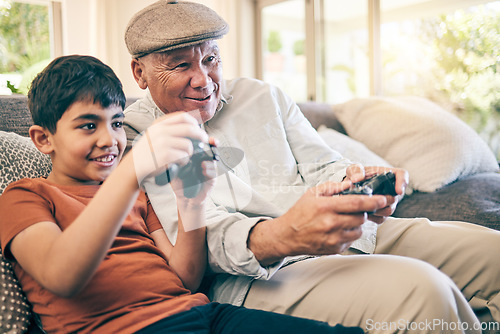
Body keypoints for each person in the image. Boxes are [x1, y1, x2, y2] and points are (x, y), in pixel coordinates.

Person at [123, 1, 500, 333]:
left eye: (211, 59)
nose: (204, 80)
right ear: (140, 73)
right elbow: (203, 243)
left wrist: (355, 181)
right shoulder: (135, 137)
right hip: (267, 273)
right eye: (181, 66)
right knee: (423, 292)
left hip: (351, 234)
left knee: (493, 254)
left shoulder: (262, 95)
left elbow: (325, 165)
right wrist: (286, 234)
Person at [0, 55, 364, 334]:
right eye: (88, 126)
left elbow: (185, 278)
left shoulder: (137, 197)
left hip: (202, 313)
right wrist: (132, 168)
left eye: (115, 123)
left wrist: (192, 202)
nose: (109, 139)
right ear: (43, 139)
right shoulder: (25, 196)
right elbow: (61, 274)